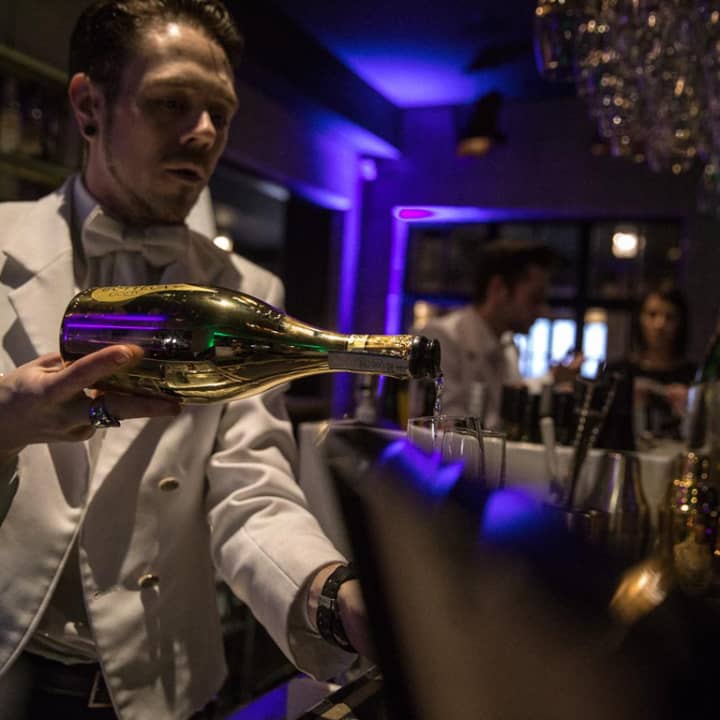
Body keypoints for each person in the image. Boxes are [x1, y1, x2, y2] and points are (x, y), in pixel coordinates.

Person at [0, 2, 370, 718]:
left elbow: (250, 490)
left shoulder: (250, 291)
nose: (203, 133)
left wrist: (331, 595)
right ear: (89, 106)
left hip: (165, 686)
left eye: (220, 115)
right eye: (171, 102)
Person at [409, 239, 580, 430]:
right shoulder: (441, 338)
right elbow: (446, 426)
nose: (543, 311)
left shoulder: (508, 347)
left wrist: (552, 379)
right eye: (535, 298)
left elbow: (508, 405)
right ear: (498, 289)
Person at [607, 283, 695, 443]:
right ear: (639, 319)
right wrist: (626, 401)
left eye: (669, 317)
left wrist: (691, 405)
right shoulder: (618, 372)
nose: (660, 324)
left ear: (681, 323)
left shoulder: (694, 376)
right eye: (652, 314)